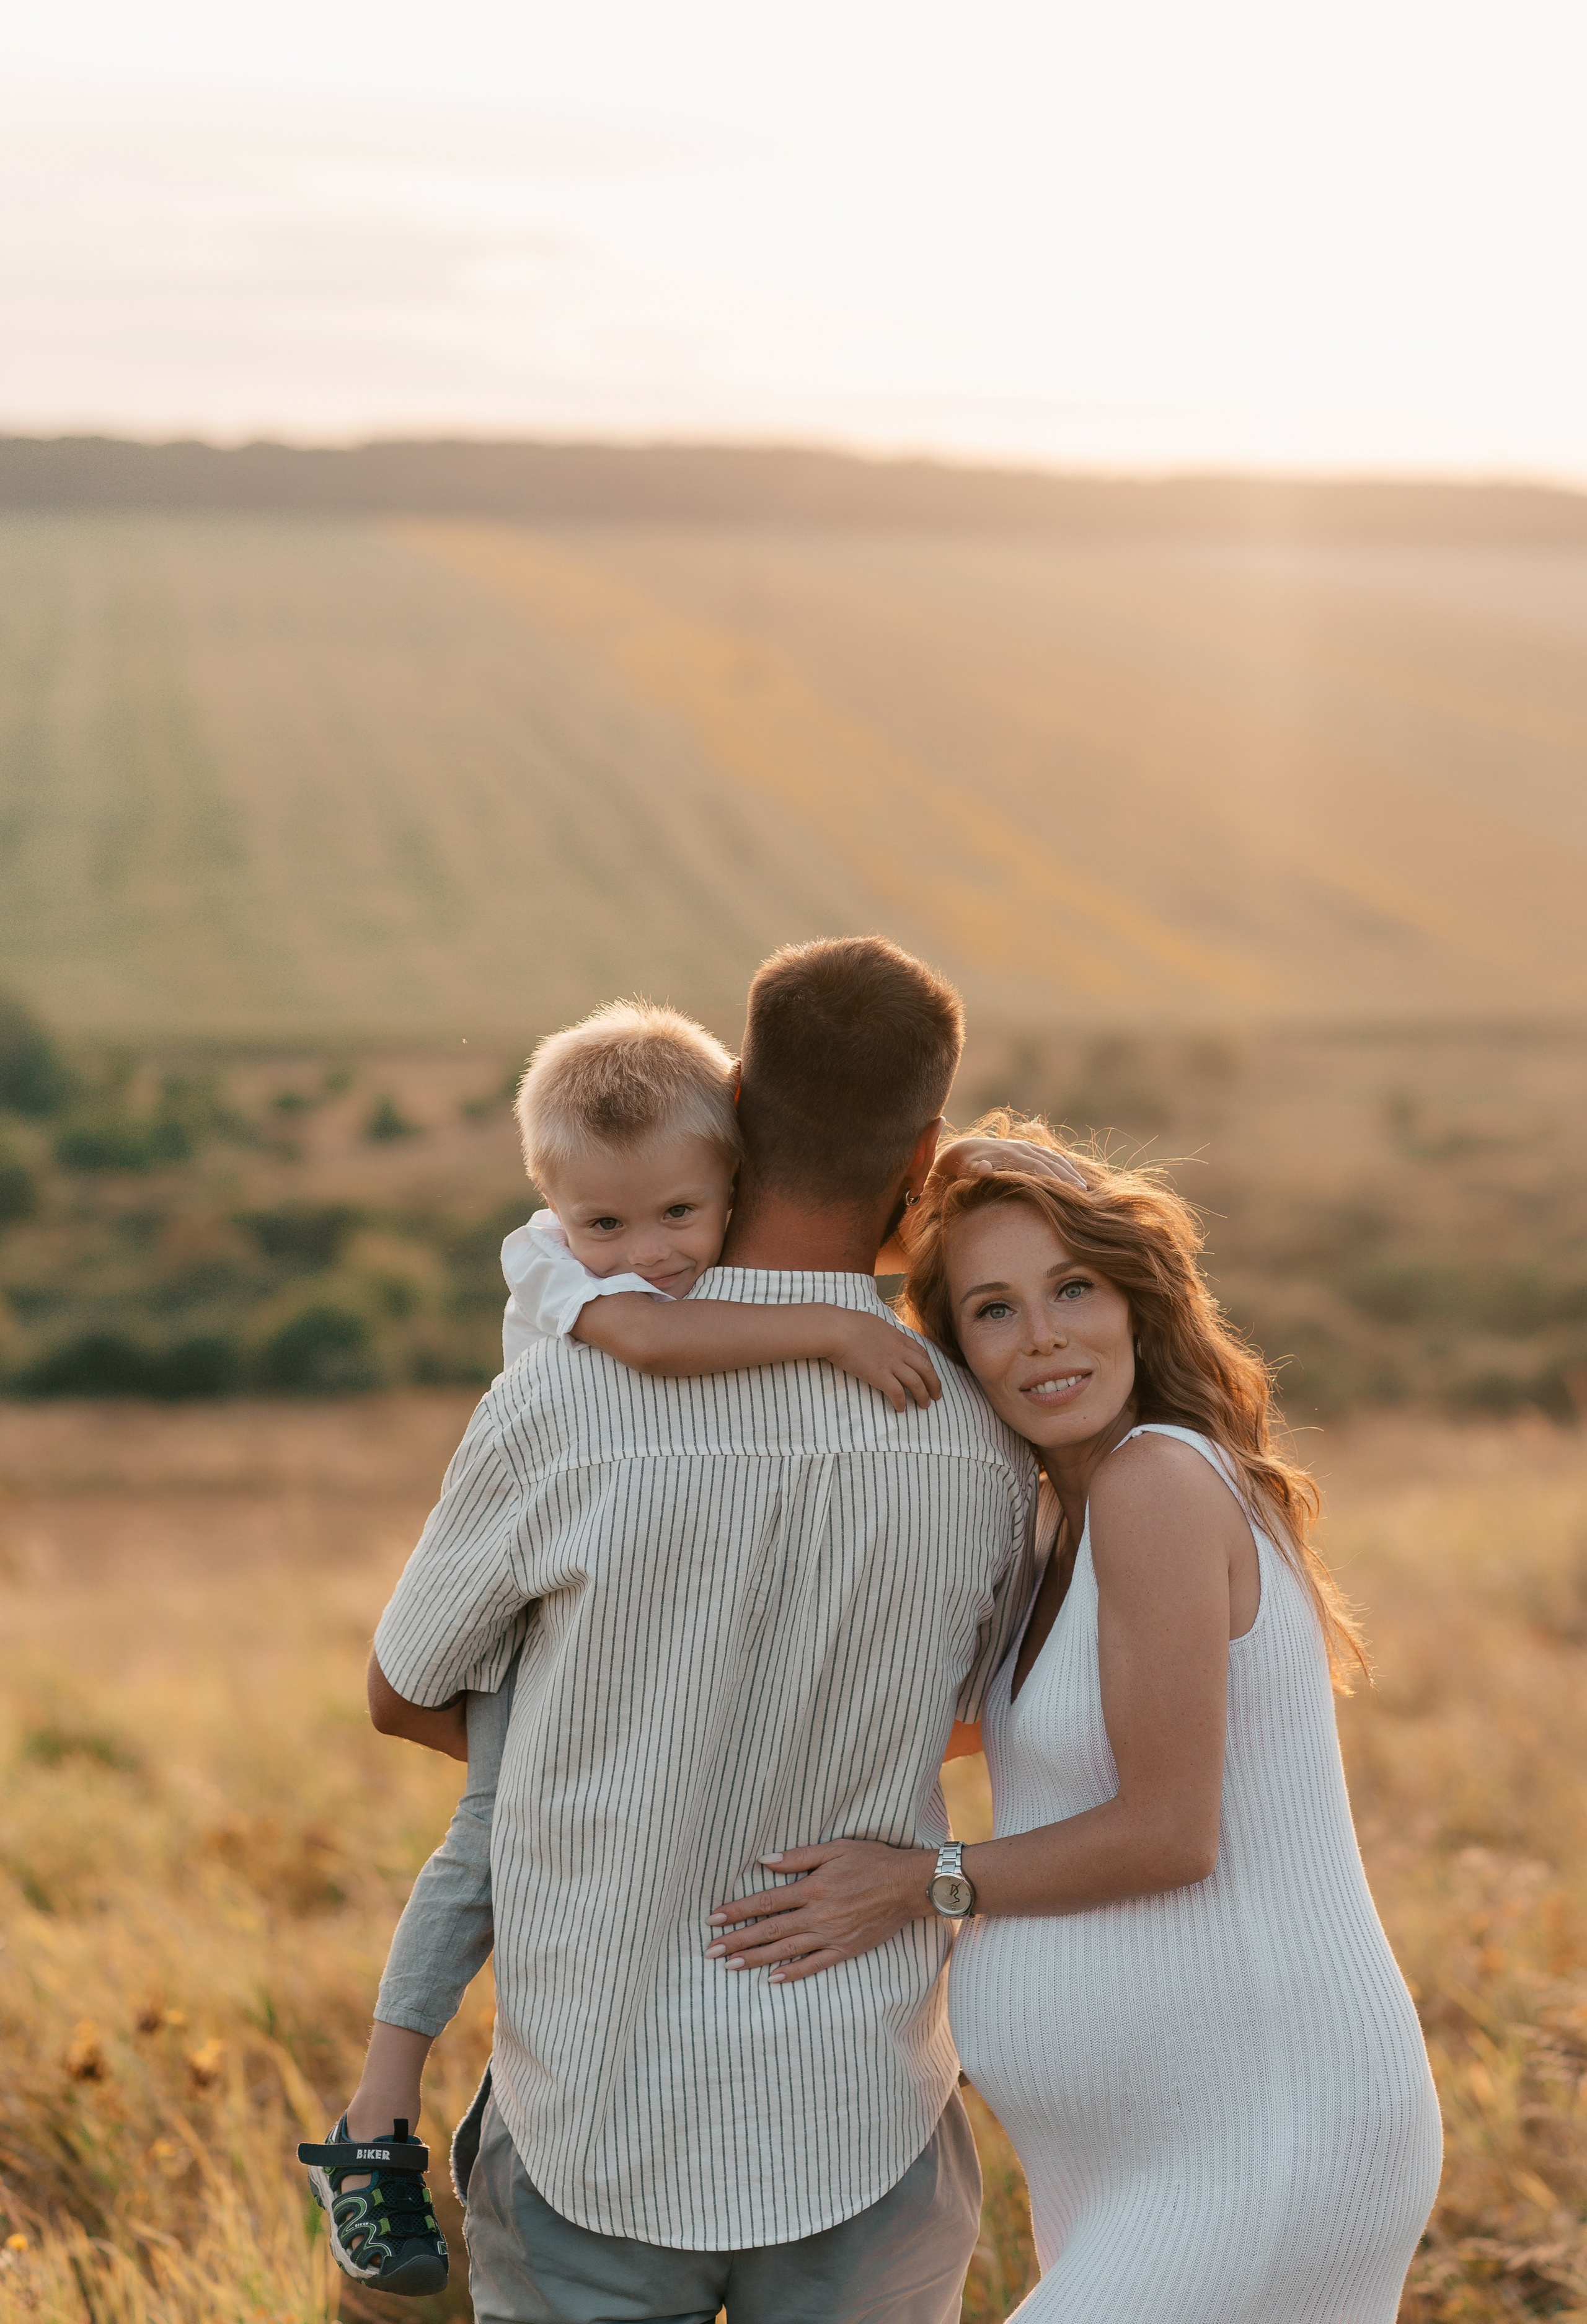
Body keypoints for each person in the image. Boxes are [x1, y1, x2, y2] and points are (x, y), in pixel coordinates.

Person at [321, 942, 1041, 2324]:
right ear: (927, 1148)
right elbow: (977, 1720)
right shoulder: (982, 1443)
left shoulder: (560, 1402)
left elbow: (402, 1694)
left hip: (593, 2097)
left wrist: (615, 1758)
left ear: (739, 1113)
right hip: (859, 2107)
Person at [707, 1119, 1443, 2323]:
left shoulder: (1156, 1481)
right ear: (954, 1353)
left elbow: (1167, 1832)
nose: (1043, 1335)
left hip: (1268, 2131)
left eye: (1073, 1287)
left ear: (1133, 1300)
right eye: (992, 1311)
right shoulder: (1057, 1524)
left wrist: (914, 1885)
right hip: (1138, 2159)